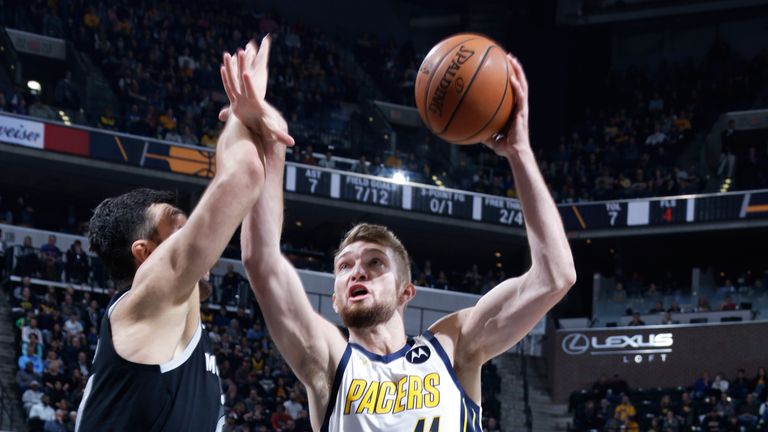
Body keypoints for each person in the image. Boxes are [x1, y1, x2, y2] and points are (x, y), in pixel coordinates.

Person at [237, 54, 576, 429]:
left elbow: (555, 276)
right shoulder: (331, 362)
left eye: (375, 263)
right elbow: (261, 263)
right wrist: (270, 144)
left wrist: (520, 153)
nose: (356, 272)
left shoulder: (452, 346)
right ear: (333, 299)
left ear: (406, 291)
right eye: (344, 265)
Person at [75, 37, 293, 431]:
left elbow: (262, 251)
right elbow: (241, 178)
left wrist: (271, 145)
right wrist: (241, 117)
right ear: (144, 253)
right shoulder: (145, 302)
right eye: (176, 225)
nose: (192, 230)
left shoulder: (173, 324)